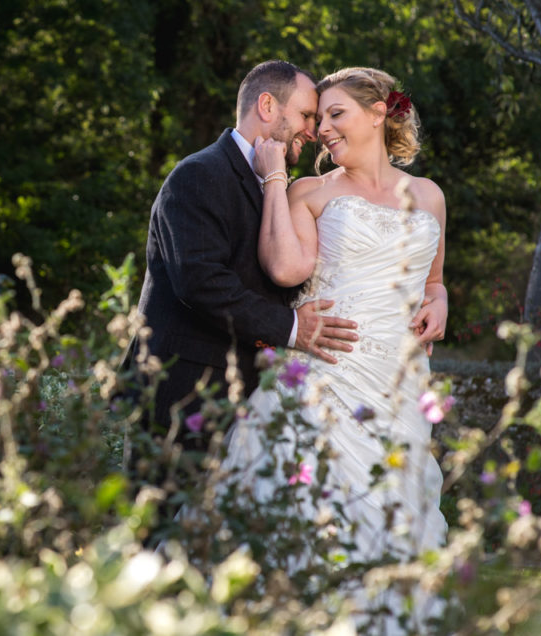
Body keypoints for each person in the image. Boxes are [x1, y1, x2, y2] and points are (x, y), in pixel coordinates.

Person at [219, 66, 449, 632]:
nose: (321, 128)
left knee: (394, 520)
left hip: (397, 385)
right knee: (316, 515)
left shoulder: (430, 197)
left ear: (379, 113)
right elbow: (286, 267)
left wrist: (440, 301)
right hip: (325, 377)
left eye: (335, 113)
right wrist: (275, 179)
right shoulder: (310, 190)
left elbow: (435, 279)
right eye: (317, 117)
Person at [129, 60, 358, 462]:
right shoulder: (198, 175)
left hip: (253, 396)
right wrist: (291, 328)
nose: (313, 130)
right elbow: (201, 283)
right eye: (306, 115)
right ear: (267, 106)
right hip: (184, 392)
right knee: (165, 521)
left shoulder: (279, 187)